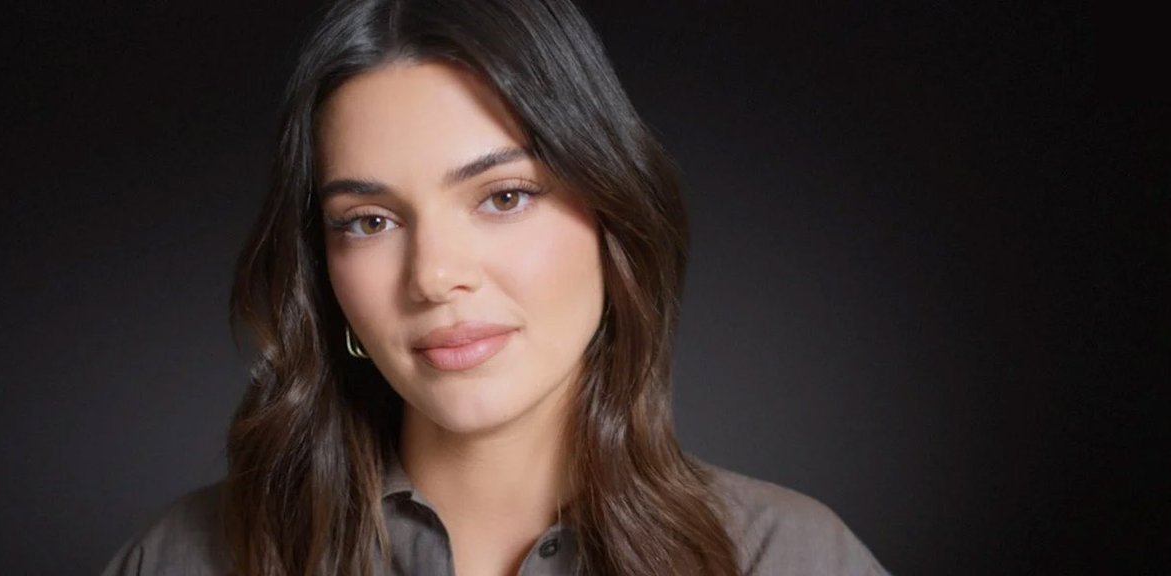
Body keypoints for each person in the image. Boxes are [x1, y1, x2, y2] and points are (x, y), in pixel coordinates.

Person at [104, 0, 888, 574]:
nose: (434, 276)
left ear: (613, 216)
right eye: (370, 221)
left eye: (504, 197)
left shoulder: (788, 558)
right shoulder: (187, 557)